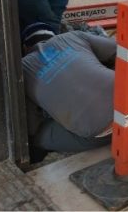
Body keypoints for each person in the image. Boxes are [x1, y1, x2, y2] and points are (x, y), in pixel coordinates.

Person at [20, 22, 116, 161]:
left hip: (105, 134)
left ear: (25, 47)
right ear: (55, 36)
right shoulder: (72, 37)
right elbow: (120, 50)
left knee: (37, 138)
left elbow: (32, 126)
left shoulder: (22, 70)